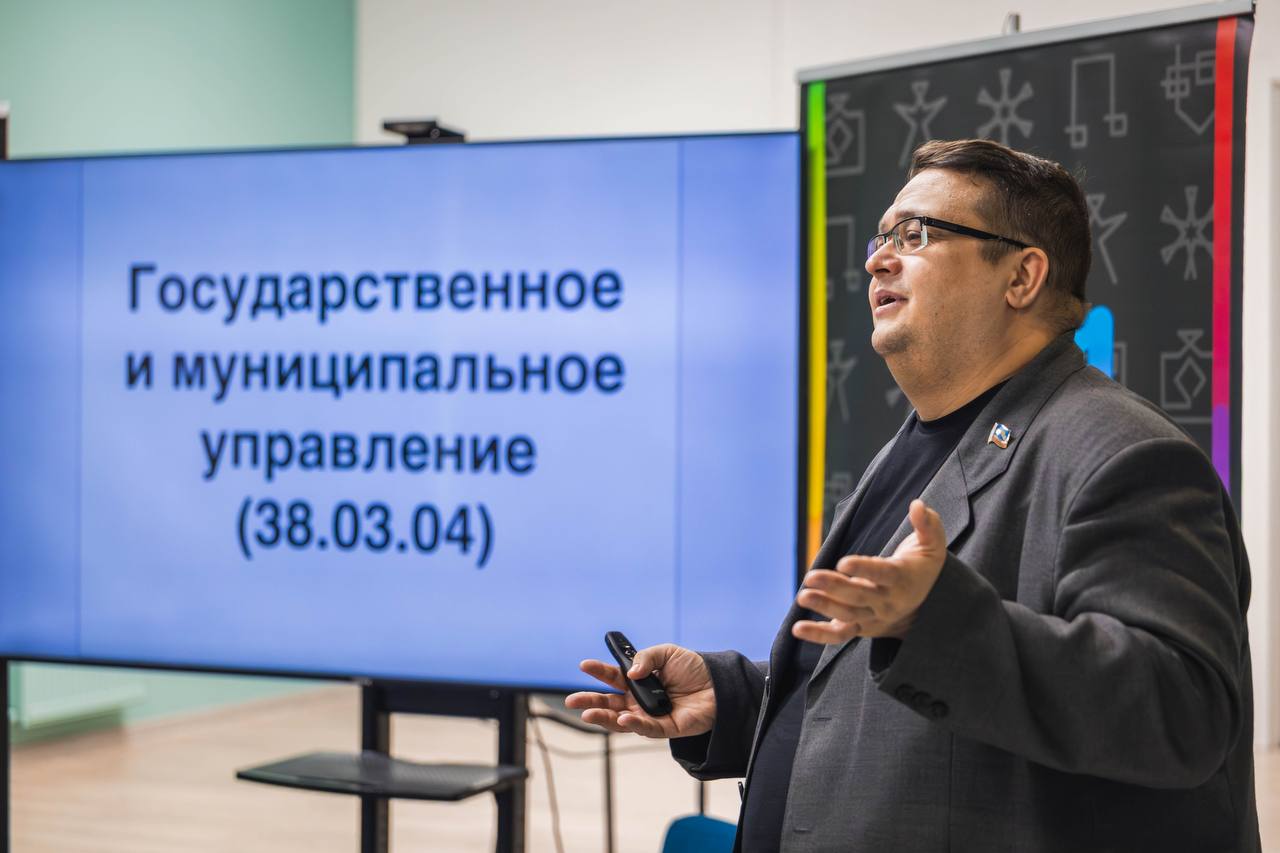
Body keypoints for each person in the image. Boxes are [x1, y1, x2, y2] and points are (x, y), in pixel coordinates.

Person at [566, 138, 1258, 852]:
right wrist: (734, 698)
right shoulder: (921, 441)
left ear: (1022, 276)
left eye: (917, 234)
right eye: (882, 237)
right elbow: (890, 700)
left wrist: (936, 618)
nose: (877, 260)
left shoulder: (1123, 455)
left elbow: (1183, 712)